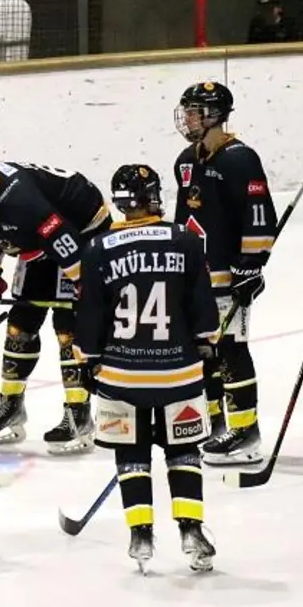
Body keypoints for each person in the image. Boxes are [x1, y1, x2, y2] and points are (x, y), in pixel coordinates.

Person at [76, 165, 220, 572]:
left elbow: (89, 316)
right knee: (183, 449)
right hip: (178, 372)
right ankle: (191, 531)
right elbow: (203, 315)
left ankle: (140, 534)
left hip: (122, 375)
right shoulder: (186, 241)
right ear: (154, 196)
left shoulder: (99, 248)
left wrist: (89, 360)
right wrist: (208, 346)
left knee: (131, 452)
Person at [0, 158, 110, 455]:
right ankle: (11, 405)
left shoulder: (21, 200)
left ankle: (78, 412)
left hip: (80, 228)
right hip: (40, 237)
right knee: (21, 323)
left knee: (67, 326)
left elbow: (62, 240)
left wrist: (86, 288)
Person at [171, 81, 279, 464]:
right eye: (186, 109)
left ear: (215, 115)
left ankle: (246, 430)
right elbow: (184, 219)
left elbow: (260, 216)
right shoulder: (186, 160)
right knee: (202, 351)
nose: (187, 117)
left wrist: (251, 265)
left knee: (232, 351)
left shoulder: (239, 158)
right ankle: (213, 420)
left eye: (194, 110)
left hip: (229, 277)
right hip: (196, 278)